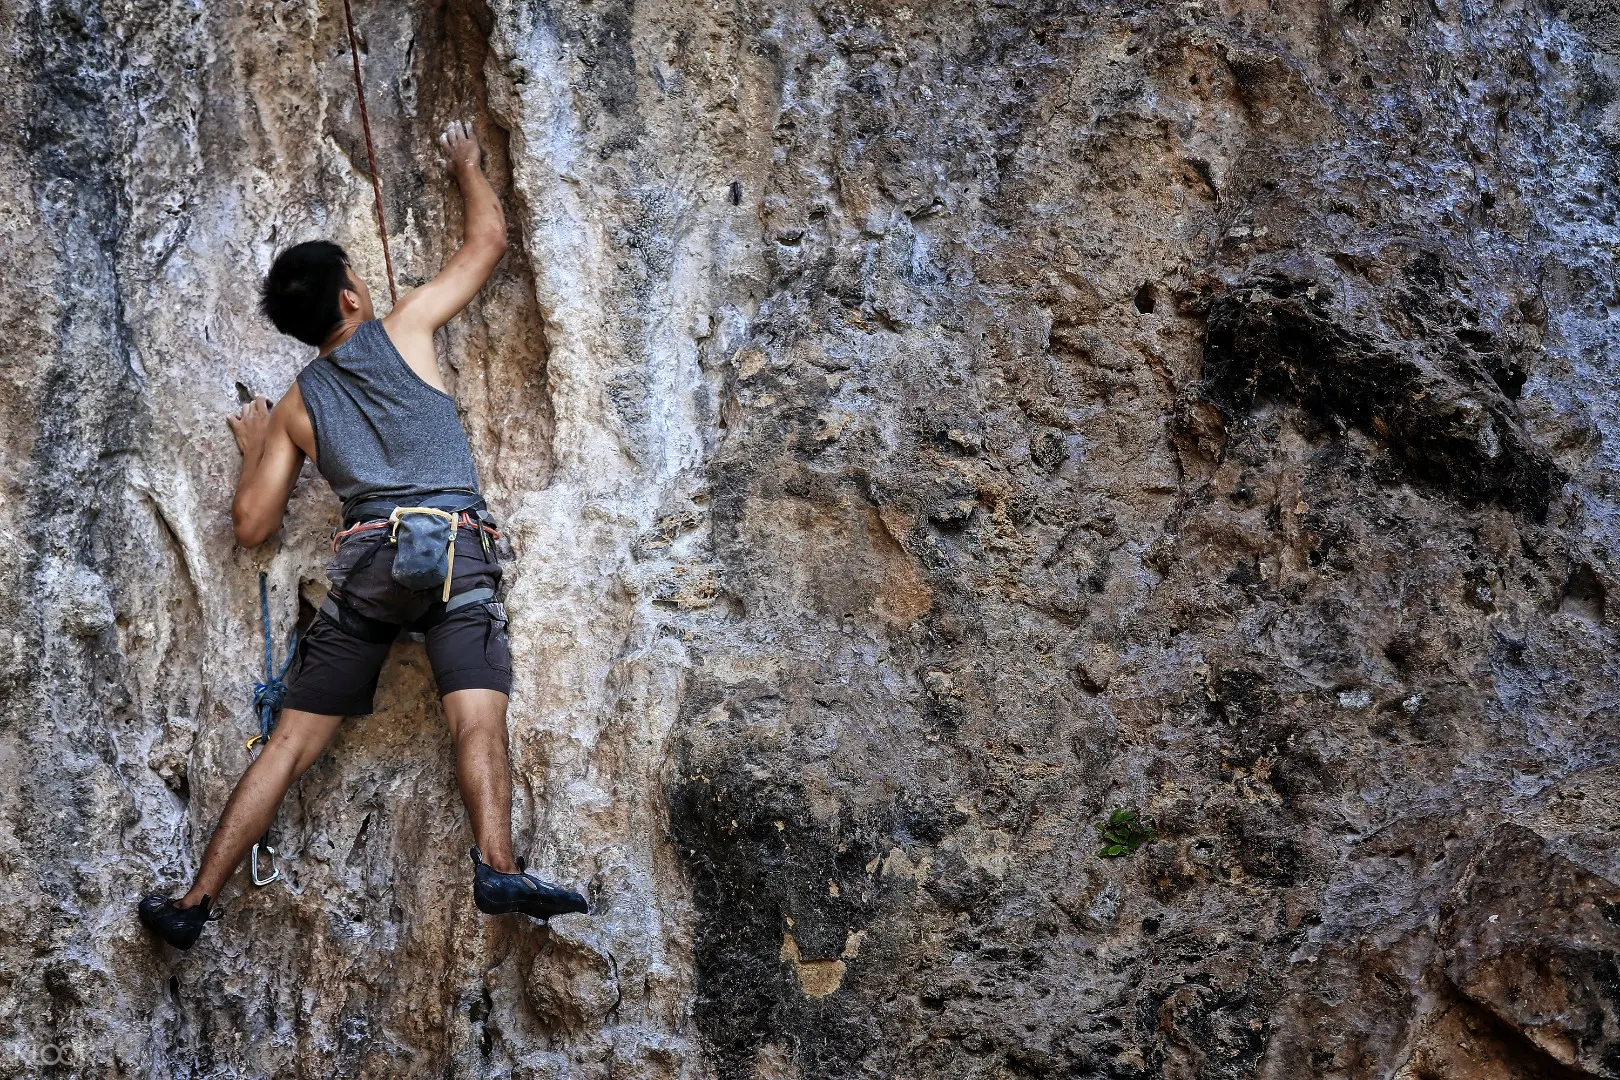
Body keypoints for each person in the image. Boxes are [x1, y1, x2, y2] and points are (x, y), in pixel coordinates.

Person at [138, 121, 587, 950]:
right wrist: (464, 165)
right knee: (477, 720)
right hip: (454, 549)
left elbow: (251, 526)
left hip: (373, 562)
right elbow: (488, 241)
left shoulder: (298, 404)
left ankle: (193, 900)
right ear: (351, 297)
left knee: (291, 746)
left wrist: (259, 447)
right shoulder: (408, 326)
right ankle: (495, 864)